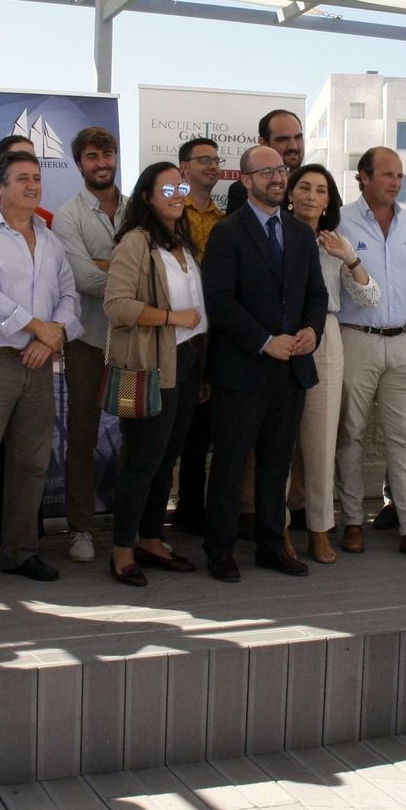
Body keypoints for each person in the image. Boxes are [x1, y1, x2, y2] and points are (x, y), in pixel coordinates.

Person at [0, 150, 80, 592]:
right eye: (22, 178)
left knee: (32, 464)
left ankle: (21, 552)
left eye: (37, 178)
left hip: (39, 363)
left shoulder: (49, 238)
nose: (32, 185)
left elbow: (69, 295)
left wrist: (51, 336)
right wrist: (35, 327)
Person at [200, 144, 327, 580]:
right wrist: (264, 341)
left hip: (291, 369)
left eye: (281, 170)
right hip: (242, 369)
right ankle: (219, 550)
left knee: (277, 463)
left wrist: (312, 330)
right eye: (266, 171)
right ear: (246, 179)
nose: (277, 177)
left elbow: (316, 294)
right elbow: (219, 300)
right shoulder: (227, 232)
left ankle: (272, 546)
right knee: (231, 463)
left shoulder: (300, 234)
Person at [100, 163, 208, 586]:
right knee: (142, 461)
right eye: (167, 189)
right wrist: (171, 317)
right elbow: (116, 306)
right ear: (146, 196)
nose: (178, 194)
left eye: (181, 187)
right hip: (149, 366)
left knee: (166, 460)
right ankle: (122, 550)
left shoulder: (182, 241)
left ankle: (150, 538)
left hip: (188, 361)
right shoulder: (135, 242)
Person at [334, 148, 406, 561]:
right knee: (351, 434)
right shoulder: (339, 220)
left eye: (399, 175)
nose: (395, 182)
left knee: (404, 438)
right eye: (386, 175)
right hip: (356, 338)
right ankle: (351, 521)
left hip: (403, 341)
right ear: (363, 176)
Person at [285, 164, 379, 562]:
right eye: (304, 187)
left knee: (321, 441)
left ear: (328, 201)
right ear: (290, 194)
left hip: (325, 336)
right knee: (277, 443)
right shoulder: (275, 233)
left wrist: (349, 258)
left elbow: (370, 299)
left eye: (320, 190)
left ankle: (320, 529)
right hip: (281, 338)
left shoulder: (335, 242)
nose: (311, 195)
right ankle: (278, 529)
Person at [53, 126, 121, 564]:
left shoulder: (137, 208)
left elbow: (156, 268)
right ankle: (80, 528)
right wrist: (129, 277)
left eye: (107, 154)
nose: (101, 163)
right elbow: (83, 278)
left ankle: (132, 528)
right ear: (79, 163)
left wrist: (107, 266)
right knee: (82, 436)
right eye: (92, 156)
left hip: (133, 343)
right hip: (88, 343)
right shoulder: (68, 216)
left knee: (136, 433)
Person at [170, 136, 224, 534]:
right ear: (183, 168)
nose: (212, 165)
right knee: (168, 430)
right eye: (203, 159)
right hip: (174, 331)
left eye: (216, 159)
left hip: (215, 333)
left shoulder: (225, 219)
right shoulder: (171, 212)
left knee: (202, 429)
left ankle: (192, 509)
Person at [224, 109, 304, 213]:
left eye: (298, 137)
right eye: (283, 139)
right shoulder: (244, 190)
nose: (293, 146)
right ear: (263, 142)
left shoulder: (315, 186)